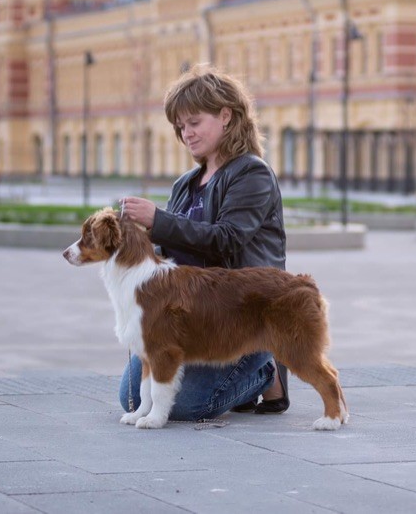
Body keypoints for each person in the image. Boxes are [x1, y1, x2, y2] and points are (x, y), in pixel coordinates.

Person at [117, 64, 289, 421]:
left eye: (194, 122)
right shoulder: (185, 183)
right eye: (180, 127)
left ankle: (265, 369)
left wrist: (160, 221)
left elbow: (227, 239)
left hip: (237, 318)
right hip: (185, 317)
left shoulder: (252, 173)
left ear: (226, 115)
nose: (186, 134)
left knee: (187, 404)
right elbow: (170, 252)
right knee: (132, 397)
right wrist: (138, 238)